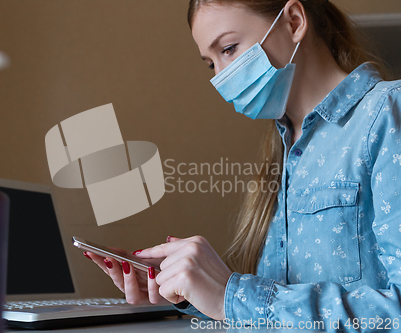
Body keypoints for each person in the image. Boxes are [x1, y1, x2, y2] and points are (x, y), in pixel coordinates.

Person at [84, 0, 401, 331]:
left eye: (228, 48)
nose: (221, 77)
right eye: (210, 64)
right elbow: (275, 313)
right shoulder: (283, 147)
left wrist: (231, 295)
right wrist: (188, 290)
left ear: (293, 22)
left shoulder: (388, 113)